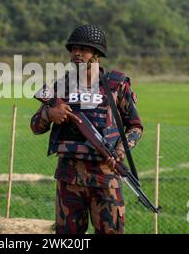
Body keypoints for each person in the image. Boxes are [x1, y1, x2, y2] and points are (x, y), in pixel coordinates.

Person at [30, 24, 143, 234]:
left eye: (83, 49)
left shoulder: (116, 86)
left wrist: (120, 150)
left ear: (97, 54)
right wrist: (49, 114)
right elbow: (35, 126)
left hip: (106, 177)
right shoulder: (60, 87)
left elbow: (135, 127)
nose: (77, 53)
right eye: (73, 49)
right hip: (69, 179)